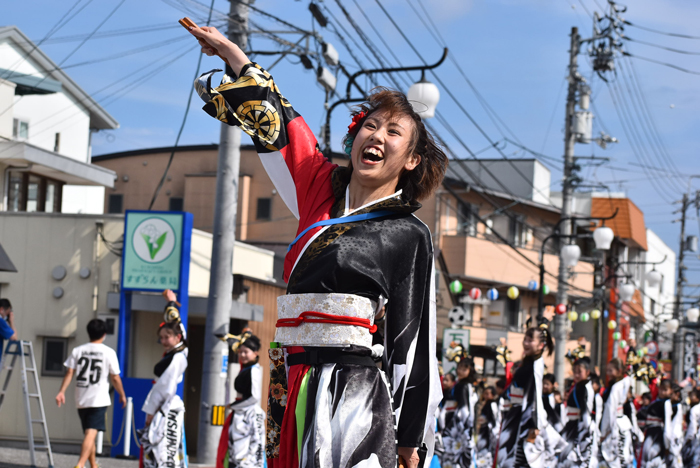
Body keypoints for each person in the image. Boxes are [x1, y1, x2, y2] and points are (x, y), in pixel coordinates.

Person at [189, 24, 446, 468]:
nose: (377, 136)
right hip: (292, 379)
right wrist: (234, 56)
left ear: (412, 160)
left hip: (355, 389)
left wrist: (410, 439)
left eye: (393, 132)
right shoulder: (320, 191)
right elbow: (287, 128)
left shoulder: (409, 233)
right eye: (370, 124)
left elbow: (414, 340)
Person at [55, 319, 126, 468]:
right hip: (98, 398)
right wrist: (122, 394)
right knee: (91, 433)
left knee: (89, 433)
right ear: (104, 334)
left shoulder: (78, 350)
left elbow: (69, 371)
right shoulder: (108, 352)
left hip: (81, 397)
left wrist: (62, 391)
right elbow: (115, 377)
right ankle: (80, 465)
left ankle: (93, 465)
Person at [139, 290, 188, 468]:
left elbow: (163, 388)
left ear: (177, 337)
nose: (164, 341)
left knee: (161, 451)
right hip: (167, 406)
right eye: (161, 338)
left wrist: (151, 413)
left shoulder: (177, 357)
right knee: (166, 451)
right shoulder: (180, 350)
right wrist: (172, 303)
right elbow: (178, 326)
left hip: (164, 408)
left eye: (167, 337)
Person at [496, 321, 555, 468]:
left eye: (531, 340)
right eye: (525, 339)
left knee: (520, 460)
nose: (526, 343)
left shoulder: (535, 365)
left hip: (524, 420)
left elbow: (534, 397)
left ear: (541, 345)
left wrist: (533, 424)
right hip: (516, 415)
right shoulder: (529, 363)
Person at [216, 330, 265, 468]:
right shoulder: (246, 369)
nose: (242, 355)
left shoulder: (254, 370)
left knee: (249, 444)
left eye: (246, 352)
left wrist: (234, 406)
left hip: (248, 412)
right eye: (240, 352)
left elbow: (254, 396)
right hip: (241, 411)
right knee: (233, 447)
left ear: (255, 353)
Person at [559, 357, 598, 468]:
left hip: (581, 427)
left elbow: (586, 411)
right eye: (574, 372)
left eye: (579, 372)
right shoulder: (578, 386)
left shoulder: (585, 387)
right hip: (573, 425)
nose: (576, 375)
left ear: (587, 372)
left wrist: (585, 430)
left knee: (579, 458)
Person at [441, 353, 477, 468]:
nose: (460, 370)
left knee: (456, 456)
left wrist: (462, 426)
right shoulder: (465, 385)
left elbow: (465, 409)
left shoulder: (463, 386)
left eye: (464, 368)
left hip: (459, 426)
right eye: (459, 367)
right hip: (461, 425)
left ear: (470, 370)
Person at [598, 358, 632, 468]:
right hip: (622, 424)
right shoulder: (621, 385)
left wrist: (604, 432)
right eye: (607, 370)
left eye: (610, 370)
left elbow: (609, 410)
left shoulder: (616, 387)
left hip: (614, 426)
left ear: (619, 371)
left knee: (613, 459)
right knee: (622, 458)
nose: (608, 374)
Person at [641, 379, 673, 468]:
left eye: (665, 390)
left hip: (655, 436)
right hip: (653, 435)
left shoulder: (665, 403)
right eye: (661, 389)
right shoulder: (661, 402)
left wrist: (667, 444)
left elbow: (667, 425)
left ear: (671, 391)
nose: (663, 392)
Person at [476, 385, 500, 468]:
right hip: (482, 431)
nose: (485, 395)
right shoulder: (483, 404)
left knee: (486, 453)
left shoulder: (493, 404)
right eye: (484, 393)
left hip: (489, 433)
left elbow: (495, 419)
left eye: (488, 393)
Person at [682, 388, 700, 468]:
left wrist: (688, 440)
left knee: (694, 462)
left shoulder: (694, 410)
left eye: (693, 396)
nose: (691, 398)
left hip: (697, 440)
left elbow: (692, 428)